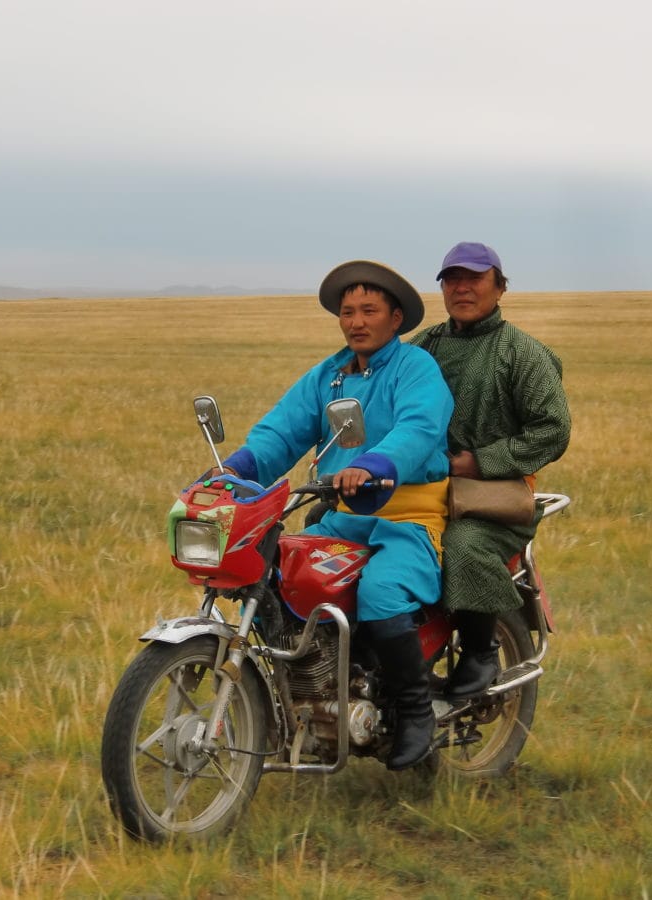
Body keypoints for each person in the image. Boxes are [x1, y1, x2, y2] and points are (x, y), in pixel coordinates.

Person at [217, 260, 453, 770]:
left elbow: (420, 426)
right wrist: (235, 469)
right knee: (282, 574)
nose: (356, 321)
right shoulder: (328, 377)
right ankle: (310, 689)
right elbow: (282, 431)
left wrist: (374, 464)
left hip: (406, 515)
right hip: (344, 515)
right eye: (348, 312)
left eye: (369, 310)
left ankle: (415, 713)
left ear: (396, 318)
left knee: (381, 590)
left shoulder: (415, 369)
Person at [410, 242, 571, 703]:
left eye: (475, 278)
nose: (462, 287)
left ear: (500, 287)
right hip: (420, 490)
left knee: (463, 545)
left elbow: (553, 430)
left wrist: (479, 462)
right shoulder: (420, 348)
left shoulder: (524, 354)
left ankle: (481, 649)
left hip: (490, 501)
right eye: (451, 279)